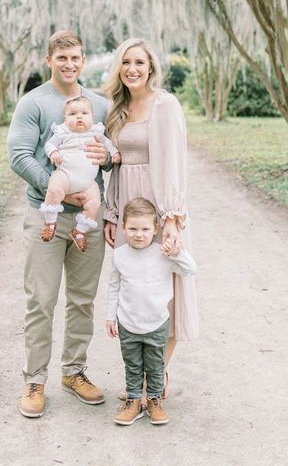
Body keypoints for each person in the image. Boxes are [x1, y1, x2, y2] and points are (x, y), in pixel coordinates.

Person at [7, 30, 112, 418]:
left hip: (88, 217)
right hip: (45, 215)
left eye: (76, 58)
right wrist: (57, 190)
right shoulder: (33, 103)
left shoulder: (99, 105)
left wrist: (105, 159)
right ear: (49, 60)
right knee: (41, 299)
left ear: (84, 61)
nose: (70, 64)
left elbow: (108, 155)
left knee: (82, 300)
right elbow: (19, 156)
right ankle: (34, 380)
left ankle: (75, 372)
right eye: (62, 58)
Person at [102, 38, 199, 400]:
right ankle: (140, 377)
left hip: (159, 208)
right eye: (126, 62)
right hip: (129, 209)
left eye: (139, 62)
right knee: (136, 290)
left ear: (151, 67)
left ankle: (155, 378)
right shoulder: (118, 108)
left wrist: (172, 218)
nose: (132, 69)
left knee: (166, 293)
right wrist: (112, 214)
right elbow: (117, 167)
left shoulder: (165, 105)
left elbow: (174, 162)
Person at [106, 198, 197, 426]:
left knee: (156, 365)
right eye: (133, 229)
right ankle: (134, 401)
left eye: (146, 229)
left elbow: (190, 269)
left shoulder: (162, 253)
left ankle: (154, 400)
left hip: (156, 323)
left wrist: (177, 253)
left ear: (155, 229)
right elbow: (114, 287)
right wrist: (110, 316)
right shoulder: (120, 255)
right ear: (124, 227)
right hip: (128, 323)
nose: (139, 234)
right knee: (133, 365)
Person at [40, 95, 120, 251]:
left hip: (88, 182)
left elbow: (108, 144)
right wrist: (54, 152)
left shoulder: (96, 132)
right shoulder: (63, 132)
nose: (79, 117)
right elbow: (50, 144)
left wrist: (114, 152)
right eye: (72, 114)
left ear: (92, 116)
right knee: (54, 189)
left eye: (84, 113)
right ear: (65, 118)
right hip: (65, 174)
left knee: (94, 204)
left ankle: (80, 231)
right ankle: (50, 222)